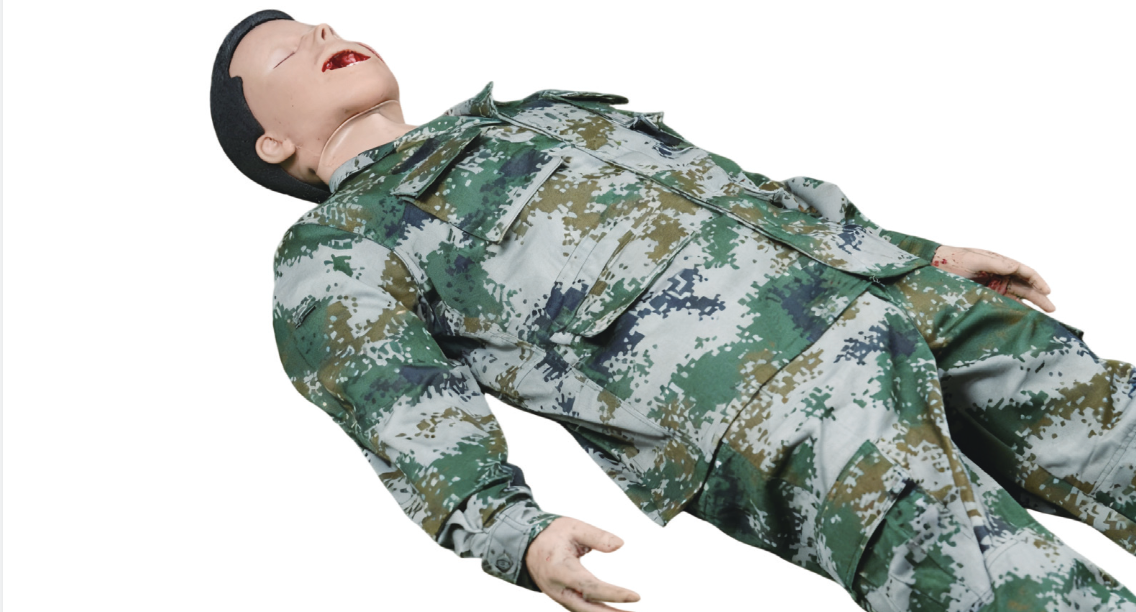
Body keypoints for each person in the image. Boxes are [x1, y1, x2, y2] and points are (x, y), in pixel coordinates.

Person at [210, 10, 1136, 611]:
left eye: (322, 20)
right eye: (286, 52)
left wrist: (919, 253)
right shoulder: (337, 246)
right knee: (1003, 589)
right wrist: (513, 532)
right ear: (273, 141)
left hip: (896, 298)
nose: (323, 30)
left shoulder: (543, 115)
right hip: (782, 410)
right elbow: (394, 401)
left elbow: (750, 196)